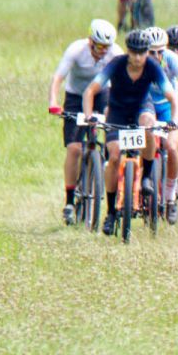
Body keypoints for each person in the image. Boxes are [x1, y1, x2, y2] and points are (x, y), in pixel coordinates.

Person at [81, 29, 178, 237]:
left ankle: (147, 177)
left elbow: (173, 97)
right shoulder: (116, 64)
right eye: (134, 52)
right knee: (114, 156)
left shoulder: (152, 67)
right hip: (117, 111)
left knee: (149, 125)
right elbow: (90, 91)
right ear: (128, 51)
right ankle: (110, 212)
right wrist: (89, 116)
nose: (138, 57)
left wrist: (175, 120)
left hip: (142, 108)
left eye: (142, 52)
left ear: (147, 52)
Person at [47, 19, 122, 225]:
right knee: (74, 149)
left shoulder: (116, 53)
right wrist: (53, 102)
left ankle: (105, 162)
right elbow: (58, 78)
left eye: (106, 47)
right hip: (76, 96)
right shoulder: (76, 50)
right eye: (99, 46)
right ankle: (70, 201)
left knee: (112, 126)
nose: (103, 52)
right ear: (90, 41)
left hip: (102, 94)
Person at [144, 27, 178, 224]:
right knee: (140, 140)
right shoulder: (137, 60)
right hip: (146, 104)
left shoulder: (173, 60)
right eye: (151, 52)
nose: (156, 56)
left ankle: (170, 196)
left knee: (171, 146)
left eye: (160, 51)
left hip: (169, 105)